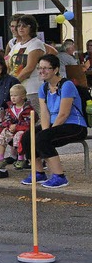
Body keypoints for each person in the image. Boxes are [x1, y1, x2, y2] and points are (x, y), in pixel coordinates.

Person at [19, 54, 88, 188]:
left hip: (75, 125)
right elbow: (44, 113)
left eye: (46, 68)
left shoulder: (66, 85)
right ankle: (38, 172)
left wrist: (49, 133)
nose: (41, 71)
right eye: (40, 68)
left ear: (55, 70)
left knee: (43, 138)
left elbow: (64, 113)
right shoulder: (43, 88)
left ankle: (59, 176)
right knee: (28, 136)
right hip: (55, 123)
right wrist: (46, 131)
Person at [7, 14, 46, 116]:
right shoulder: (15, 46)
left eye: (24, 26)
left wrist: (14, 83)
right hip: (16, 90)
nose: (20, 28)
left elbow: (29, 68)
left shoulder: (36, 43)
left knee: (36, 117)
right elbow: (8, 65)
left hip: (32, 89)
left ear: (31, 27)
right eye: (19, 26)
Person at [0, 84, 33, 171]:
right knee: (3, 134)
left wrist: (17, 127)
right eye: (11, 95)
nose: (13, 98)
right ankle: (0, 159)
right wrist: (9, 125)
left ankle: (20, 158)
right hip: (12, 129)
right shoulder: (10, 108)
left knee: (19, 136)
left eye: (15, 95)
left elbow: (28, 122)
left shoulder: (28, 109)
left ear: (23, 96)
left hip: (23, 130)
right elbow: (7, 118)